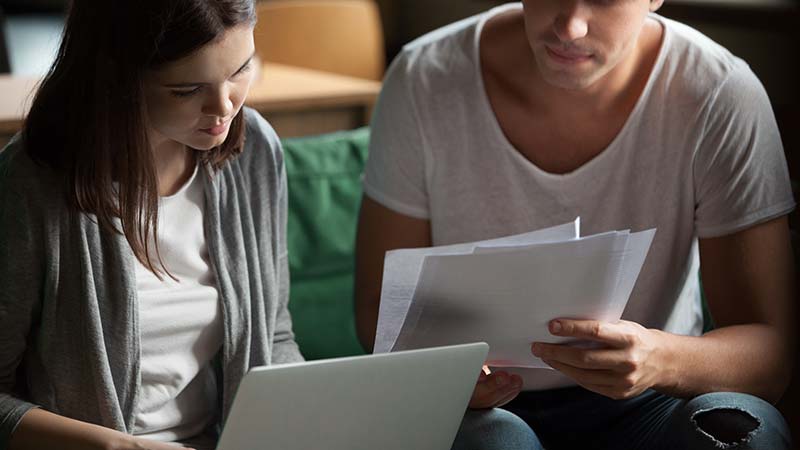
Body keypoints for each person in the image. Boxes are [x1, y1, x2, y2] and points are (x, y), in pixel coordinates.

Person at [355, 1, 796, 449]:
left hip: (652, 401)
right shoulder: (423, 78)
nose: (570, 27)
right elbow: (377, 309)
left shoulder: (717, 91)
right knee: (497, 442)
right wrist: (448, 376)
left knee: (743, 431)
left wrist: (658, 360)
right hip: (482, 408)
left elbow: (770, 354)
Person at [0, 1, 303, 449]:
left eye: (241, 71)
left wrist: (316, 414)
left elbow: (274, 335)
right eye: (187, 89)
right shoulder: (30, 184)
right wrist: (120, 446)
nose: (224, 108)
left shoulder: (254, 151)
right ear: (118, 80)